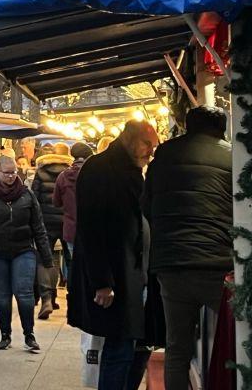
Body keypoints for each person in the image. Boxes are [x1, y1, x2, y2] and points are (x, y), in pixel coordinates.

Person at [144, 106, 232, 390]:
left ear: (187, 125)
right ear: (221, 128)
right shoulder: (232, 155)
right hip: (217, 264)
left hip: (172, 265)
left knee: (177, 348)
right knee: (236, 338)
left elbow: (146, 206)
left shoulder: (164, 156)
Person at [68, 120, 159, 390]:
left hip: (136, 273)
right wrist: (102, 282)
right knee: (119, 348)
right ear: (129, 139)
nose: (150, 152)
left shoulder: (132, 169)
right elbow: (91, 229)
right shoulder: (99, 169)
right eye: (147, 144)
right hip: (117, 276)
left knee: (135, 346)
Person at [0, 155, 53, 353]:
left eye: (14, 172)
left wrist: (46, 257)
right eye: (7, 173)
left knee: (25, 293)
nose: (11, 176)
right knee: (2, 296)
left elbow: (38, 227)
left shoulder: (27, 195)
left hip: (23, 250)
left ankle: (29, 334)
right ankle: (5, 334)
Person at [31, 144, 74, 318]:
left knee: (44, 260)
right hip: (67, 222)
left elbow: (34, 198)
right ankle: (73, 301)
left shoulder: (41, 172)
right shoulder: (70, 172)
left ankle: (47, 299)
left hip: (45, 223)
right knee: (71, 261)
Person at [54, 142, 92, 290]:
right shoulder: (95, 175)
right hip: (92, 229)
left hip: (71, 229)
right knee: (91, 265)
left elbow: (56, 202)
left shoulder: (63, 176)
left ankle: (75, 294)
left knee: (75, 265)